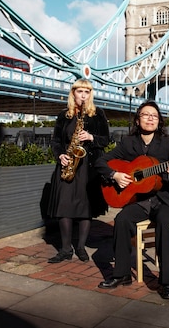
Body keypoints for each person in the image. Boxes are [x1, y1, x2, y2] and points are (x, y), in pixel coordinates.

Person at [95, 101, 169, 300]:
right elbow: (101, 162)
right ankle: (121, 275)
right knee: (121, 220)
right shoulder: (128, 143)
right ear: (138, 119)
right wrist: (115, 175)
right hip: (138, 200)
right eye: (146, 115)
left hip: (162, 200)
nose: (150, 118)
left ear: (159, 121)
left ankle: (167, 283)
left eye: (154, 115)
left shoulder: (166, 143)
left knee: (163, 222)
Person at [47, 78, 110, 263]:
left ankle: (81, 247)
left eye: (87, 92)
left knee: (85, 208)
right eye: (80, 91)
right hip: (68, 165)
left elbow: (106, 139)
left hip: (88, 167)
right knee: (64, 208)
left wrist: (91, 137)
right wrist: (60, 155)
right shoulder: (63, 115)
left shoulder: (97, 114)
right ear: (73, 93)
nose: (83, 95)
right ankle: (66, 249)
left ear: (90, 94)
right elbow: (56, 141)